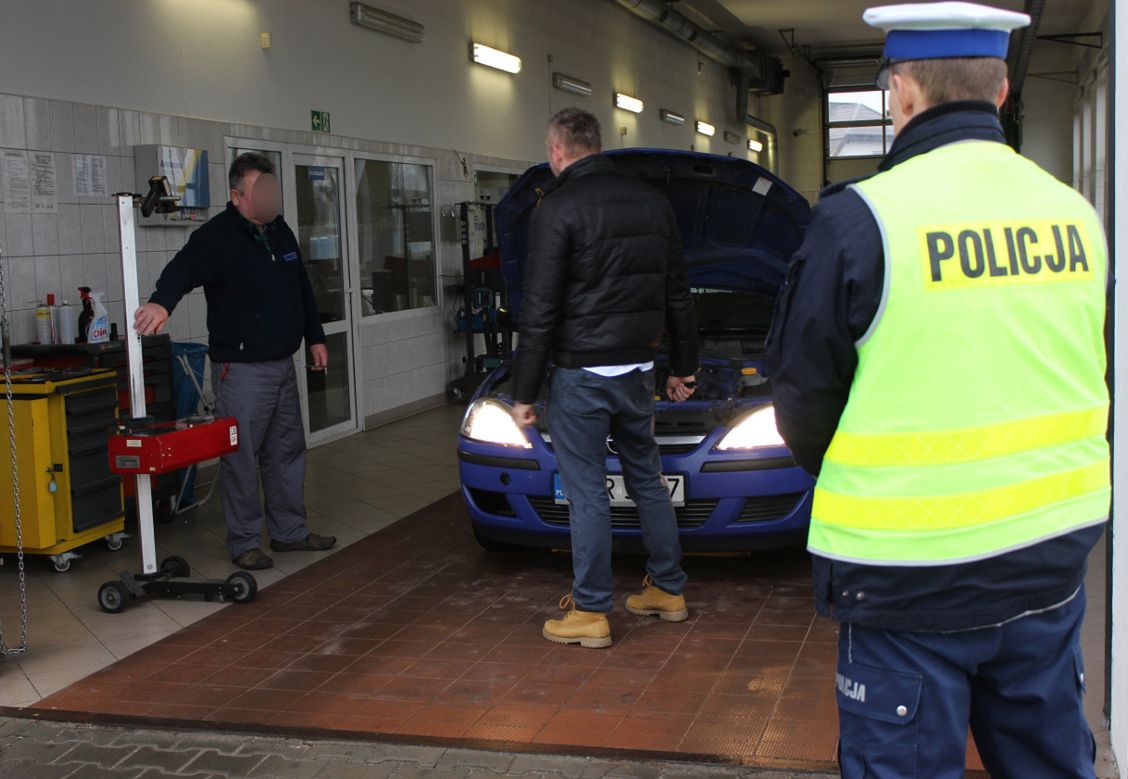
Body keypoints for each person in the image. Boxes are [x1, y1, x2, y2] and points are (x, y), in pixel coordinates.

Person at [768, 3, 1109, 776]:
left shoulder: (863, 221)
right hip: (1048, 566)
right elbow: (1084, 368)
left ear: (903, 96)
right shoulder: (1077, 216)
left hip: (906, 580)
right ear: (1001, 92)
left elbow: (802, 403)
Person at [509, 107, 701, 648]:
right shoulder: (653, 203)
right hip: (639, 370)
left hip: (582, 374)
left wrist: (524, 392)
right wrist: (684, 367)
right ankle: (667, 589)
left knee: (587, 489)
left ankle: (591, 611)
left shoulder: (559, 207)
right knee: (646, 476)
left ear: (557, 152)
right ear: (599, 144)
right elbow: (677, 293)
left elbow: (540, 308)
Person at [134, 152, 337, 571]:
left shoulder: (281, 232)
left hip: (283, 364)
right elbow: (182, 269)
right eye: (261, 189)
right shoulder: (218, 237)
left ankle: (289, 532)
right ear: (237, 195)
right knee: (241, 456)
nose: (272, 196)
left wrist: (315, 336)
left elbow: (301, 287)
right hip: (241, 371)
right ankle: (245, 540)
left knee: (286, 451)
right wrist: (161, 303)